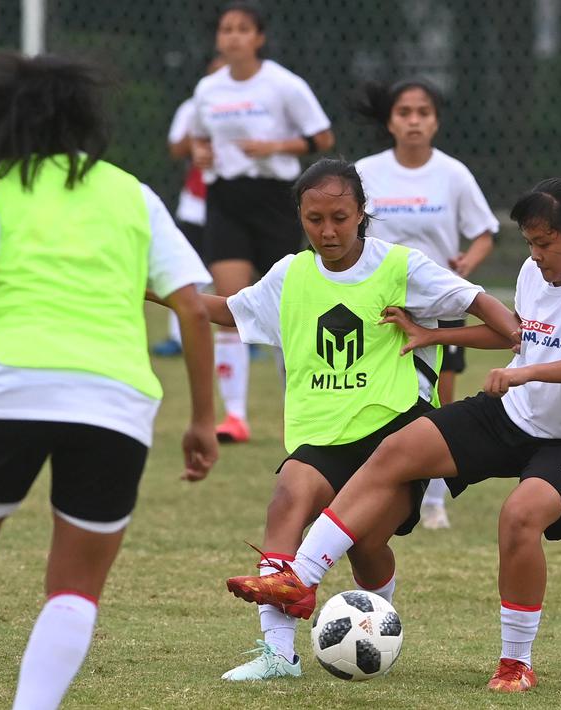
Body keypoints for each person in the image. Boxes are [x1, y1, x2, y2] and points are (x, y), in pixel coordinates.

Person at [0, 53, 219, 710]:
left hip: (10, 384)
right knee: (74, 588)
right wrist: (201, 418)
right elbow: (192, 308)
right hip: (114, 402)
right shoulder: (133, 193)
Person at [226, 174, 561, 693]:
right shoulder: (537, 274)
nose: (535, 256)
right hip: (516, 414)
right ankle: (300, 580)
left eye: (545, 244)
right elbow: (519, 334)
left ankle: (516, 662)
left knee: (519, 517)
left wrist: (526, 372)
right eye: (530, 244)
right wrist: (434, 334)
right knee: (399, 448)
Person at [194, 158, 517, 681]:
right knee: (286, 500)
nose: (328, 231)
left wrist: (434, 334)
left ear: (363, 212)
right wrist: (148, 288)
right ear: (300, 216)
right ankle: (279, 655)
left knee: (367, 546)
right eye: (315, 218)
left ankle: (373, 622)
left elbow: (504, 326)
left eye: (340, 217)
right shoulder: (291, 274)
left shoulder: (401, 267)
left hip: (397, 432)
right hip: (322, 434)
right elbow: (231, 311)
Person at [351, 78, 500, 529]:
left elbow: (485, 232)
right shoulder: (364, 172)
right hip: (378, 303)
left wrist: (465, 264)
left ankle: (434, 498)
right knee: (372, 391)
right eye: (404, 112)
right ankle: (362, 485)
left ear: (435, 121)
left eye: (423, 113)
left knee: (440, 396)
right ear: (389, 121)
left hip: (438, 300)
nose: (414, 121)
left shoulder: (452, 174)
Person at [189, 2, 335, 443]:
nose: (232, 36)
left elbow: (323, 138)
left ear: (258, 38)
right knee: (231, 304)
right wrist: (200, 153)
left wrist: (275, 145)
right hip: (226, 198)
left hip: (275, 198)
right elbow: (198, 136)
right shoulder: (208, 88)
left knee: (286, 305)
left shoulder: (283, 85)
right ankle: (233, 416)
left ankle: (299, 409)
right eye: (226, 29)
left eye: (242, 29)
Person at [151, 55, 226, 357]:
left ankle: (233, 334)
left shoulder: (257, 104)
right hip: (196, 203)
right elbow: (176, 148)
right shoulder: (193, 107)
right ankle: (176, 335)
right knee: (185, 267)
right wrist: (200, 136)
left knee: (228, 268)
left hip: (231, 202)